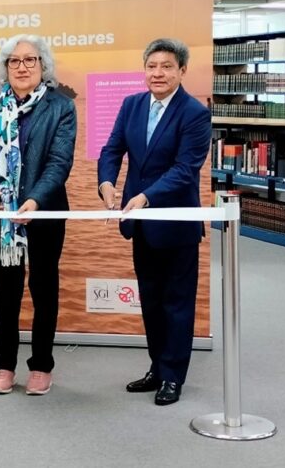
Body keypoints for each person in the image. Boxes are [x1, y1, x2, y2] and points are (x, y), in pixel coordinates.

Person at [97, 38, 211, 406]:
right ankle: (157, 369)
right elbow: (112, 149)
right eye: (151, 66)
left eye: (166, 66)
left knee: (177, 303)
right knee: (150, 301)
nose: (157, 73)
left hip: (175, 223)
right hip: (141, 225)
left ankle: (173, 376)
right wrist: (106, 183)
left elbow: (185, 169)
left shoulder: (194, 112)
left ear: (181, 71)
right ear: (144, 69)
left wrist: (146, 197)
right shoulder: (131, 105)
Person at [0, 34, 76, 395]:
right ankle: (4, 365)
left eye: (30, 60)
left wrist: (35, 200)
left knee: (44, 287)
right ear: (5, 68)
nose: (22, 67)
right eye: (14, 61)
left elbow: (59, 162)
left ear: (43, 66)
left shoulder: (62, 107)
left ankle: (41, 366)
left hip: (43, 213)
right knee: (6, 290)